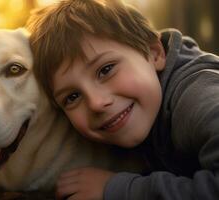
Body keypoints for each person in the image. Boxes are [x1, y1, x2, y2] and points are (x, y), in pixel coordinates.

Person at [26, 0, 219, 199]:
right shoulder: (140, 109)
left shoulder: (198, 97)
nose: (95, 103)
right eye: (72, 97)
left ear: (154, 53)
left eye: (105, 70)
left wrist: (118, 189)